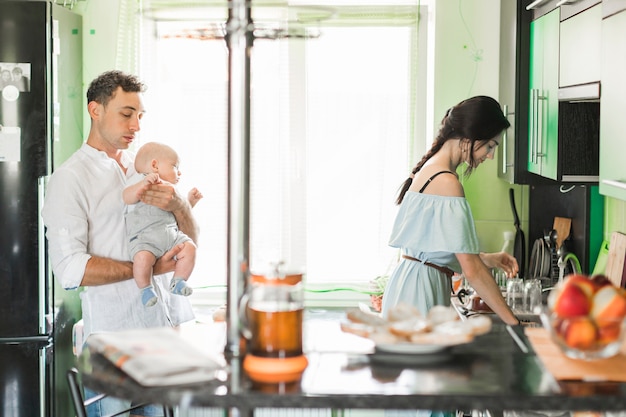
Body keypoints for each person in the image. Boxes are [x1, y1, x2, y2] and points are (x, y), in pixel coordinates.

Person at [42, 70, 198, 417]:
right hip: (114, 342)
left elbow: (188, 237)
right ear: (95, 110)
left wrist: (179, 206)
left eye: (140, 116)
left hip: (164, 333)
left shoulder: (144, 166)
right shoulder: (69, 180)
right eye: (126, 114)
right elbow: (70, 269)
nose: (136, 126)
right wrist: (148, 268)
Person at [381, 96, 520, 417]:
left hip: (409, 288)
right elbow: (470, 270)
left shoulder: (432, 170)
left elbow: (438, 250)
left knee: (422, 400)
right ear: (469, 140)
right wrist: (513, 324)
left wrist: (488, 257)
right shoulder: (447, 183)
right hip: (420, 297)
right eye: (490, 146)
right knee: (430, 399)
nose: (489, 155)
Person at [123, 141, 203, 307]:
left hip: (170, 235)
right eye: (175, 166)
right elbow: (126, 197)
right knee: (142, 259)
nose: (179, 172)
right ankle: (145, 289)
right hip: (145, 239)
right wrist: (141, 186)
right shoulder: (139, 179)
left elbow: (177, 211)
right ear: (154, 165)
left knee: (190, 248)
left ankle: (178, 281)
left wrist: (189, 202)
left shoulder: (171, 189)